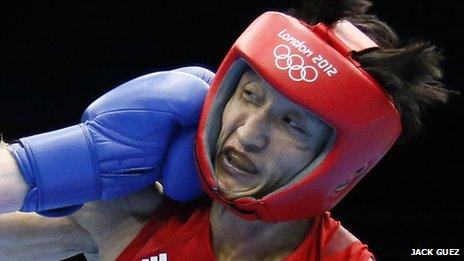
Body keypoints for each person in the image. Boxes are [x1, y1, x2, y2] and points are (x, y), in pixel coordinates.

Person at [0, 0, 453, 260]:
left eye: (292, 122)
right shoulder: (132, 212)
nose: (249, 133)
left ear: (345, 162)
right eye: (251, 95)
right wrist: (35, 168)